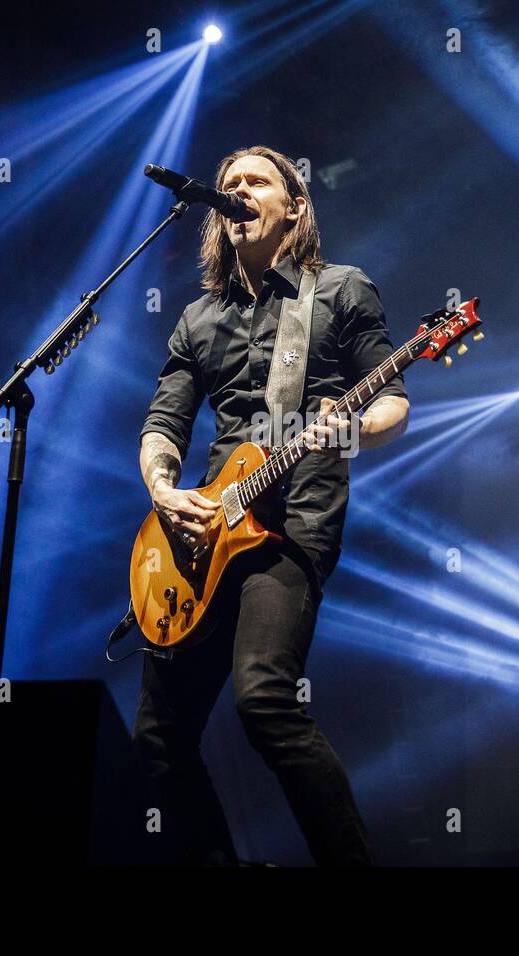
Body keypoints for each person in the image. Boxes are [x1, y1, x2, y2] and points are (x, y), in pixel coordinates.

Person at [135, 145, 409, 865]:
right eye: (227, 186)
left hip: (289, 535)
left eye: (256, 182)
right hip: (205, 537)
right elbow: (163, 425)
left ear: (294, 204)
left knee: (262, 698)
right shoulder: (197, 320)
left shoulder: (342, 290)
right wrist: (166, 492)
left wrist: (349, 426)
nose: (237, 193)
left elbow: (393, 406)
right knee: (156, 742)